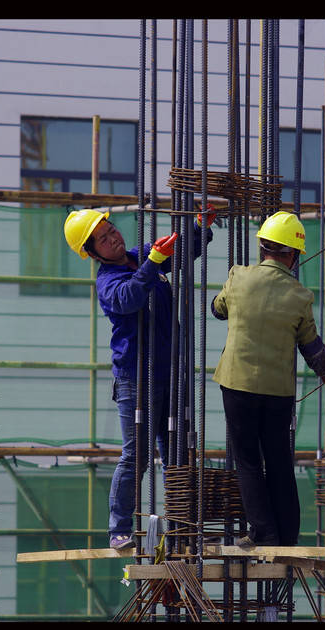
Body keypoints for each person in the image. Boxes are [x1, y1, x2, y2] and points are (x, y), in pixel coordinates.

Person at [63, 207, 214, 550]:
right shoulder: (108, 281)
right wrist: (152, 262)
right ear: (92, 252)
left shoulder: (138, 256)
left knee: (176, 452)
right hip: (136, 378)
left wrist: (198, 228)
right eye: (102, 238)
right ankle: (119, 528)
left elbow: (179, 254)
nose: (113, 237)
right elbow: (130, 298)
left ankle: (180, 524)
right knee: (137, 455)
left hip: (169, 371)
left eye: (111, 229)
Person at [211, 210, 325, 548]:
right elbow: (311, 347)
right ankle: (287, 535)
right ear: (293, 254)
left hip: (237, 384)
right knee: (280, 462)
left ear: (262, 247)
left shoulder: (238, 277)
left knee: (247, 460)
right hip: (277, 393)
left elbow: (217, 309)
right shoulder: (300, 295)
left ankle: (263, 532)